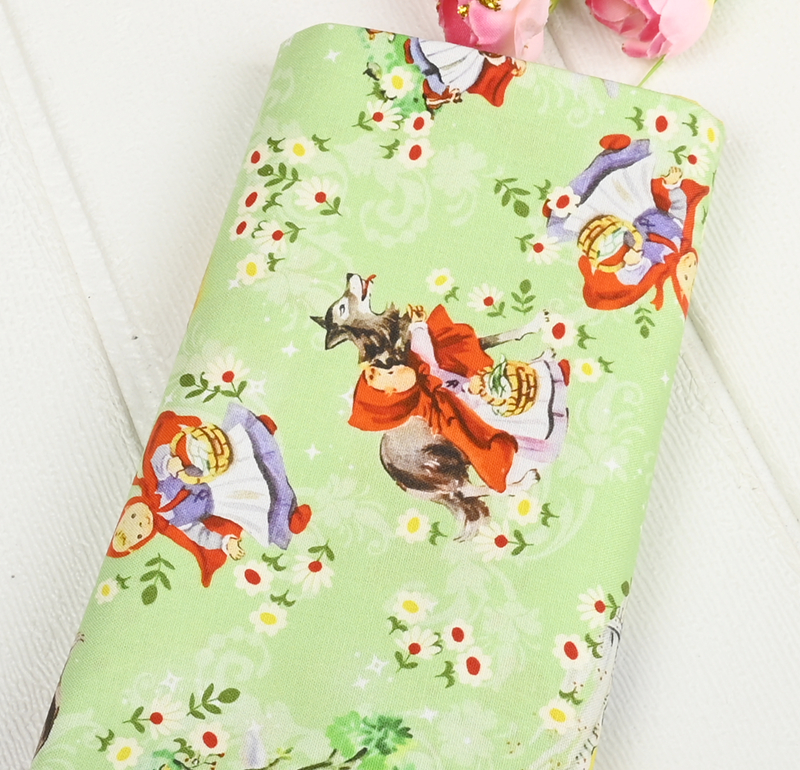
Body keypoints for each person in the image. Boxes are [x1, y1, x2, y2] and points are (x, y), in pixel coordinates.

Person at [351, 305, 568, 493]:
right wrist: (473, 392)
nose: (398, 367)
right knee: (502, 400)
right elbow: (459, 417)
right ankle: (543, 417)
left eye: (390, 368)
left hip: (474, 384)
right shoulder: (428, 406)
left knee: (498, 375)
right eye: (392, 373)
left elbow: (426, 355)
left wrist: (418, 326)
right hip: (479, 408)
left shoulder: (423, 376)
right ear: (393, 392)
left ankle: (543, 375)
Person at [107, 403, 311, 586]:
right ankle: (287, 517)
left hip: (211, 473)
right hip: (221, 498)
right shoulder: (176, 520)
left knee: (237, 451)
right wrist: (225, 543)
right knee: (255, 502)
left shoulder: (155, 484)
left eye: (133, 517)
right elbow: (200, 535)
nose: (141, 523)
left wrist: (169, 464)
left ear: (129, 507)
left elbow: (158, 456)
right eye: (139, 534)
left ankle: (258, 433)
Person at [546, 134, 708, 314]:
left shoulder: (659, 263)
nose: (689, 265)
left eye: (685, 275)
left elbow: (634, 278)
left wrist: (633, 263)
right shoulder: (680, 234)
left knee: (600, 206)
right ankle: (617, 152)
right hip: (644, 203)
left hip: (627, 222)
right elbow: (679, 209)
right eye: (692, 266)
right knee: (630, 177)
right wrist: (673, 187)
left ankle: (563, 208)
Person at [404, 37, 526, 110]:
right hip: (459, 40)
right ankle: (414, 51)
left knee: (455, 75)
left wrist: (515, 58)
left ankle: (437, 91)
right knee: (433, 54)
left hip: (471, 55)